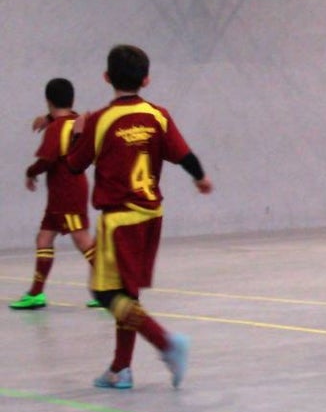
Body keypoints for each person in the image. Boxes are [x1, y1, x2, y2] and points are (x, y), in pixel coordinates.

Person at [66, 45, 213, 390]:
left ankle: (166, 342)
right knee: (126, 293)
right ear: (146, 79)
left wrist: (77, 133)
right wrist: (201, 178)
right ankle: (121, 370)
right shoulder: (158, 115)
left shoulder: (101, 120)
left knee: (105, 293)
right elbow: (185, 155)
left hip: (120, 219)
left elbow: (74, 165)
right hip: (151, 216)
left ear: (106, 78)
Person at [10, 78, 101, 310]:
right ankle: (36, 293)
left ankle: (113, 288)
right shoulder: (73, 121)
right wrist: (49, 117)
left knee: (82, 240)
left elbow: (47, 159)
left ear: (48, 100)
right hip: (64, 193)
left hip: (66, 193)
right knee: (44, 238)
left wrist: (30, 172)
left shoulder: (55, 129)